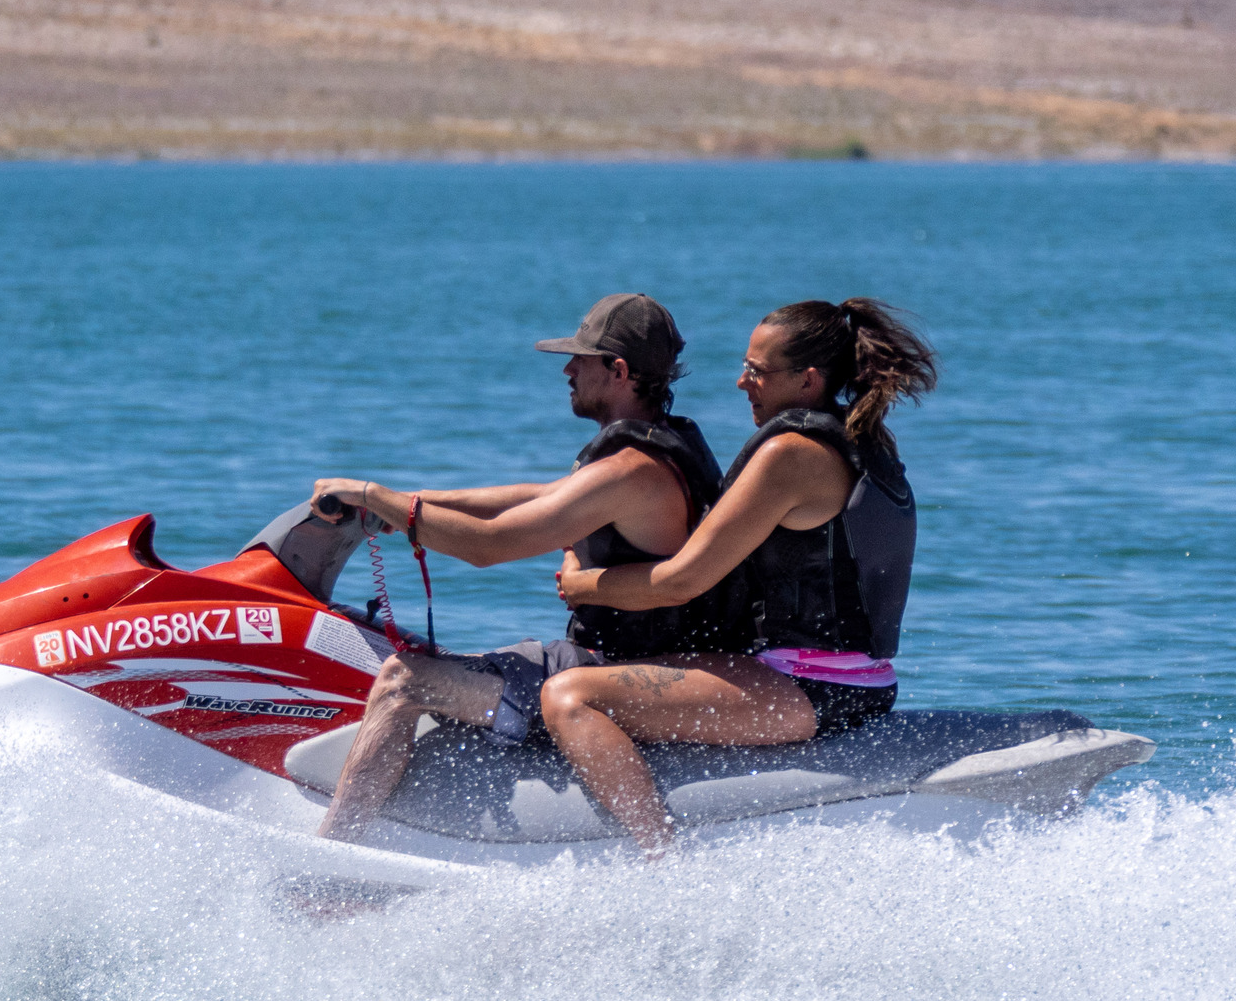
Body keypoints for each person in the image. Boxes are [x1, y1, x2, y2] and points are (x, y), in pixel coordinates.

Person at [308, 292, 725, 842]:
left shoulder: (632, 471)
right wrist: (404, 501)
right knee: (433, 659)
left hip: (615, 672)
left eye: (581, 358)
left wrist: (375, 495)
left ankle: (329, 860)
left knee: (401, 681)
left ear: (619, 371)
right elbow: (537, 497)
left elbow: (489, 546)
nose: (568, 369)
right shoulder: (657, 451)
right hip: (610, 657)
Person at [545, 297, 938, 852]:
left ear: (807, 380)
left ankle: (660, 862)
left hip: (811, 685)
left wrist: (580, 584)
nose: (740, 382)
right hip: (848, 676)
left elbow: (683, 579)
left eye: (757, 371)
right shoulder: (862, 441)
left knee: (571, 695)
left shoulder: (790, 455)